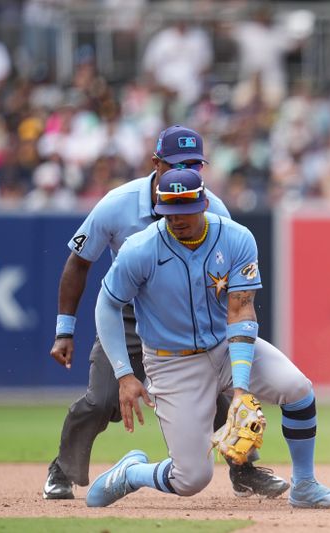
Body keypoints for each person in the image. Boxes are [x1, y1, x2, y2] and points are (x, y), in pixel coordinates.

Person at [44, 125, 289, 501]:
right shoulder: (118, 203)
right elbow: (79, 262)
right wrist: (65, 329)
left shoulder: (212, 208)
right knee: (103, 398)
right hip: (129, 314)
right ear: (155, 162)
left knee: (220, 388)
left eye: (194, 163)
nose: (186, 169)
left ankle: (244, 470)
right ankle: (63, 468)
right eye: (177, 162)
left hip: (188, 318)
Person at [85, 168, 330, 510]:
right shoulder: (140, 249)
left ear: (205, 203)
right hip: (172, 362)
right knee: (190, 479)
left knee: (297, 388)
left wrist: (240, 390)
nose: (177, 218)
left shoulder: (236, 238)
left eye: (186, 209)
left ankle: (305, 485)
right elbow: (107, 303)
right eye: (170, 210)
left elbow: (240, 314)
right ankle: (132, 473)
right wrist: (123, 374)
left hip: (224, 346)